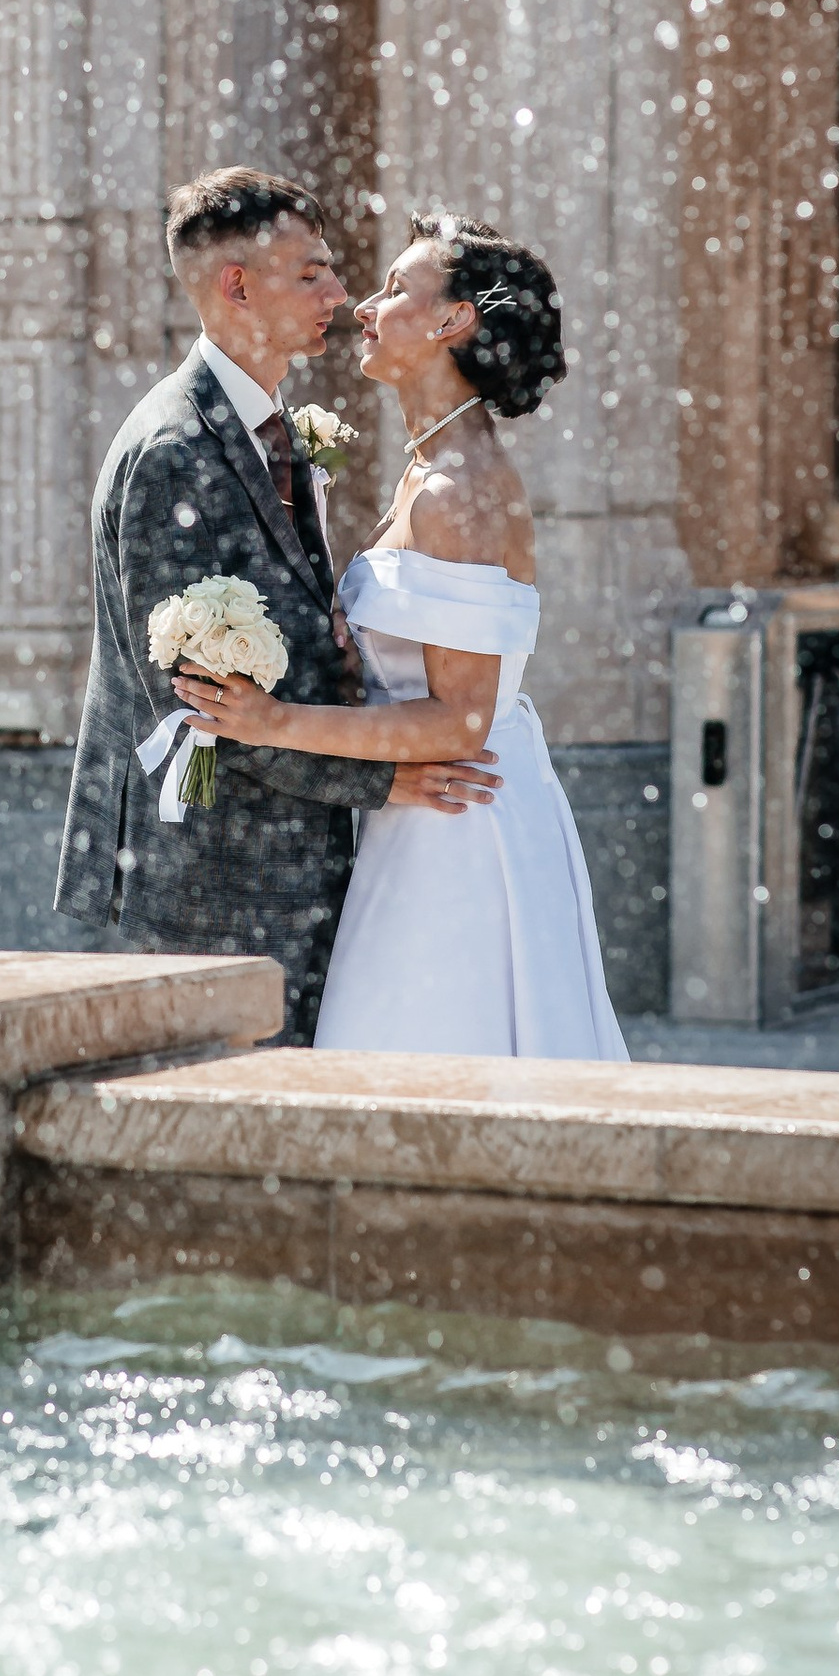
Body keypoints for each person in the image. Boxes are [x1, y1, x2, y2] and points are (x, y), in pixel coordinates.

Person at [55, 168, 495, 1045]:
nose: (340, 293)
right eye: (313, 274)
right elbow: (191, 710)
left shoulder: (272, 429)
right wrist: (376, 778)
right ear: (236, 285)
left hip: (285, 868)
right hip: (211, 880)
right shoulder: (175, 449)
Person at [176, 215, 627, 1058]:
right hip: (420, 811)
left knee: (435, 1059)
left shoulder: (459, 491)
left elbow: (462, 722)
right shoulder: (430, 464)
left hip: (461, 825)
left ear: (455, 321)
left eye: (395, 291)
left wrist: (271, 724)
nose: (363, 308)